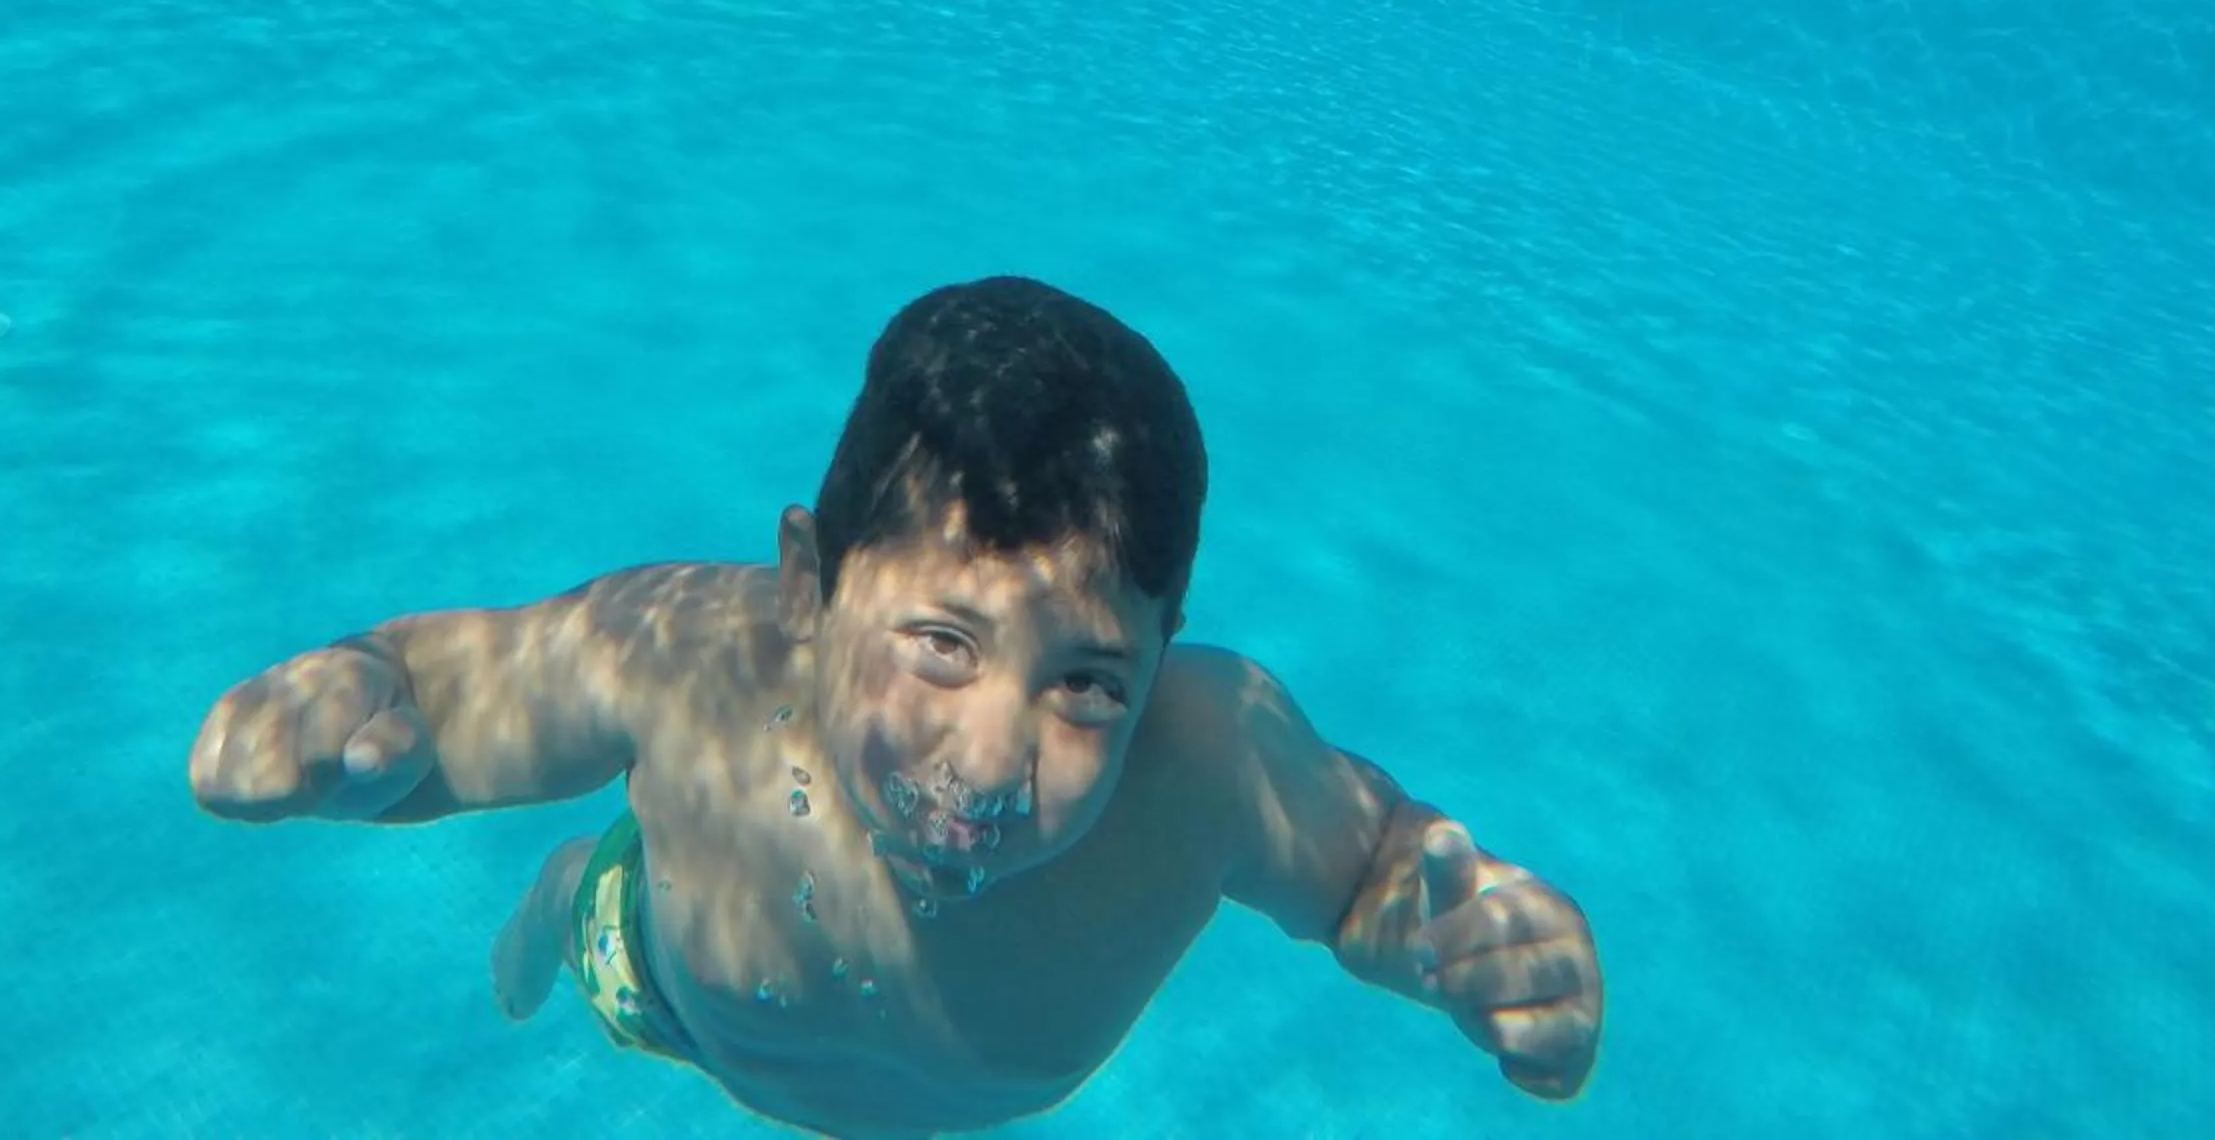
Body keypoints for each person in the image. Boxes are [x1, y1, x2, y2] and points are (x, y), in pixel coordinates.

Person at [189, 277, 1604, 1136]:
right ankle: (568, 894)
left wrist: (1461, 944)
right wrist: (359, 706)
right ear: (808, 586)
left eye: (1088, 681)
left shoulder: (1214, 756)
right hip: (669, 995)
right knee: (598, 924)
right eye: (940, 640)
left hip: (945, 1111)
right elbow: (453, 693)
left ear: (1166, 653)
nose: (988, 758)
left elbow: (1371, 869)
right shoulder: (697, 652)